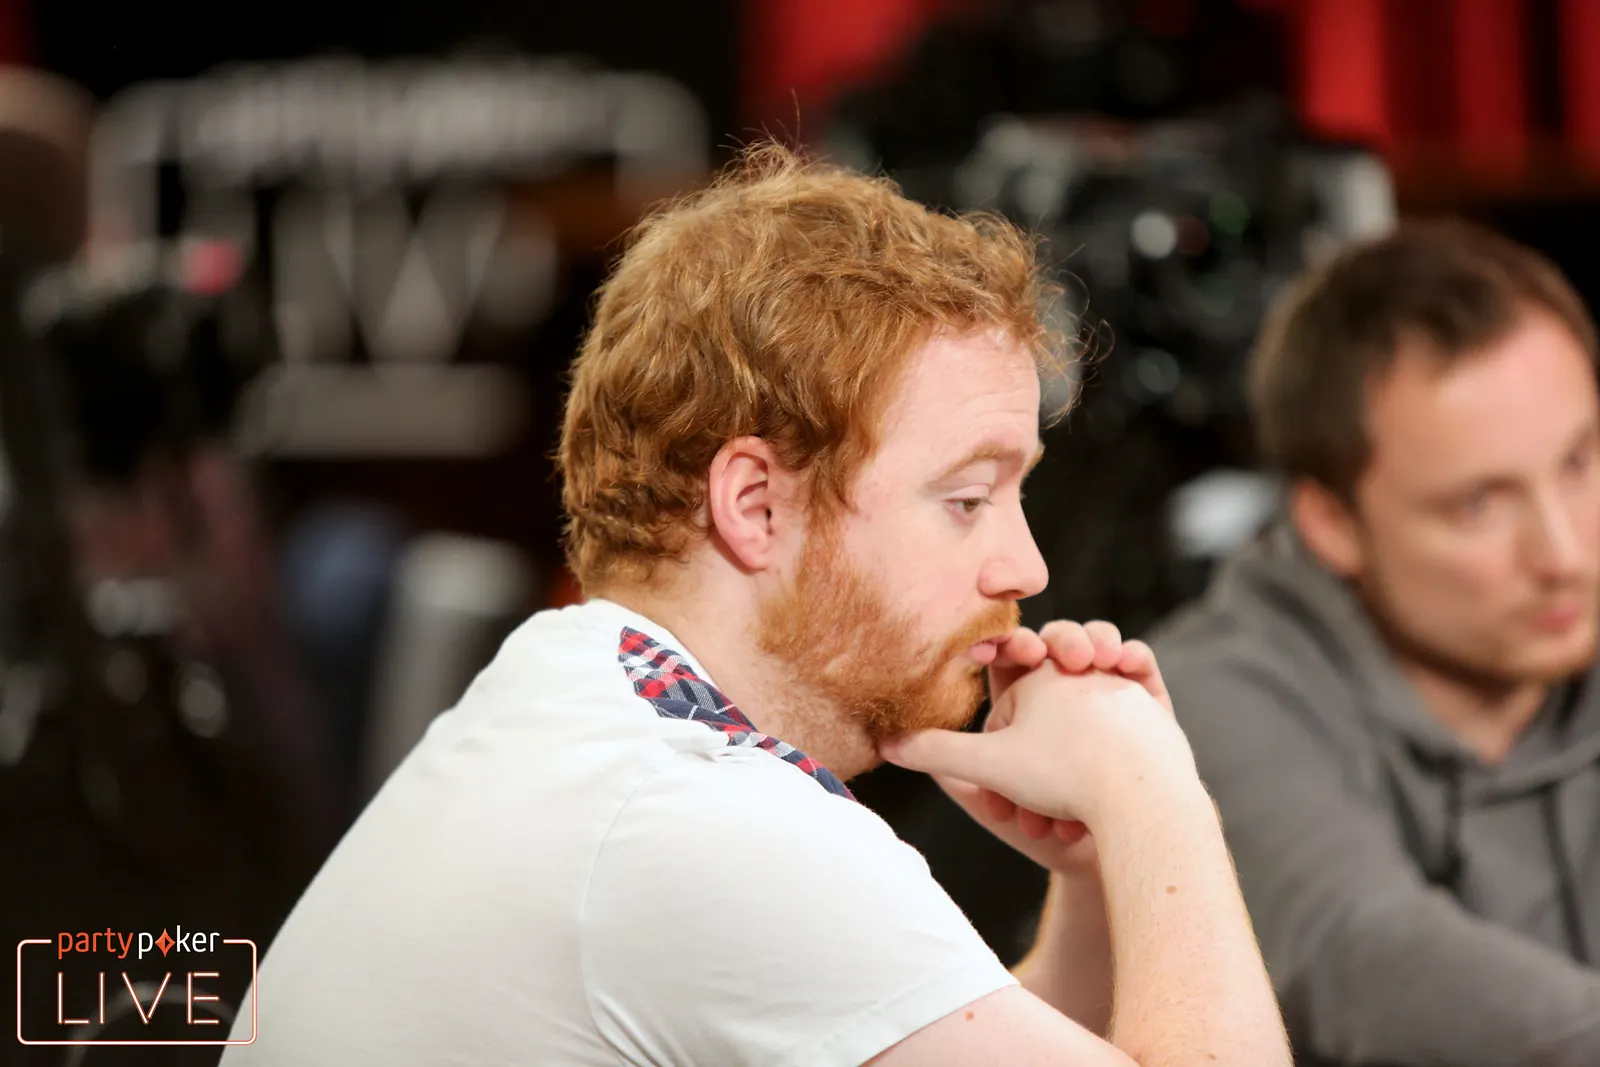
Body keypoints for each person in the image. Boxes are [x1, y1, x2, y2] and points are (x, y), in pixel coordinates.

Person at [221, 144, 1288, 1066]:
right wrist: (1156, 796)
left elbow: (929, 1038)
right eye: (967, 499)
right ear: (755, 505)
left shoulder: (592, 717)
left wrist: (1098, 869)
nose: (1027, 566)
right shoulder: (698, 817)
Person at [1149, 219, 1600, 1066]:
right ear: (1332, 522)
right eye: (1479, 505)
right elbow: (1361, 950)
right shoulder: (1197, 700)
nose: (1566, 554)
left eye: (1579, 464)